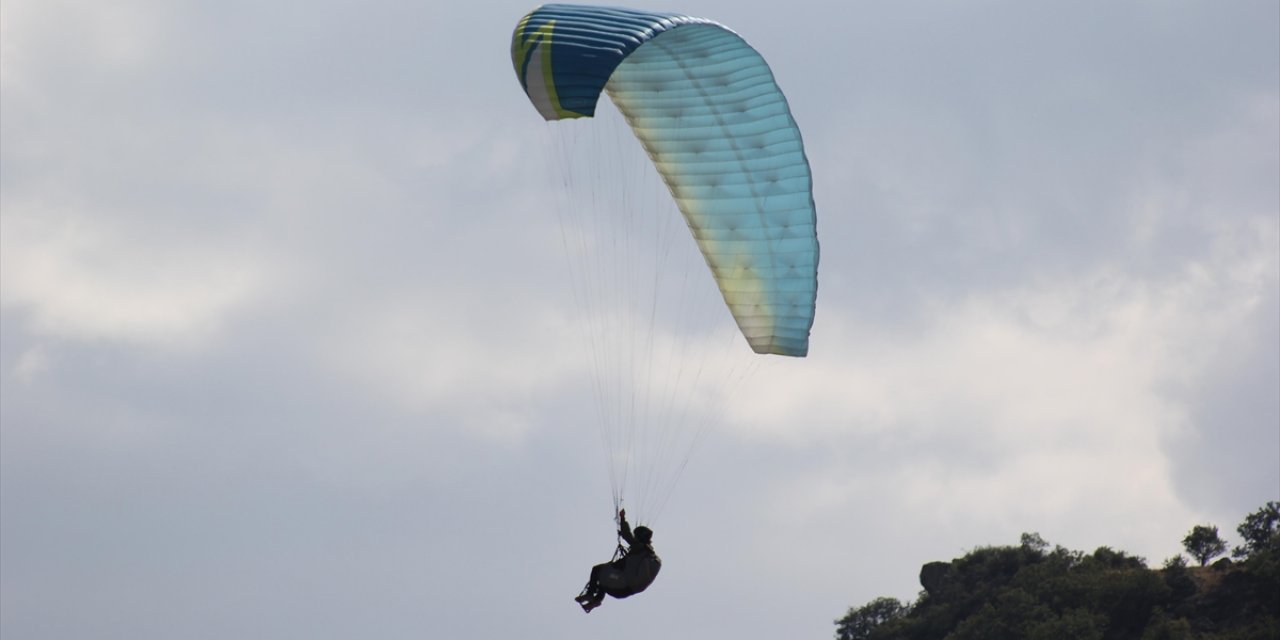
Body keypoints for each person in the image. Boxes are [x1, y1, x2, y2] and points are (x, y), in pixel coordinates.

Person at [574, 509, 661, 613]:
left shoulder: (640, 547)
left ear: (639, 537)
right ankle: (595, 601)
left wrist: (622, 519)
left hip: (623, 585)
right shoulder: (648, 554)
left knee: (598, 570)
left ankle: (590, 595)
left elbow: (626, 534)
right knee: (605, 575)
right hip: (624, 587)